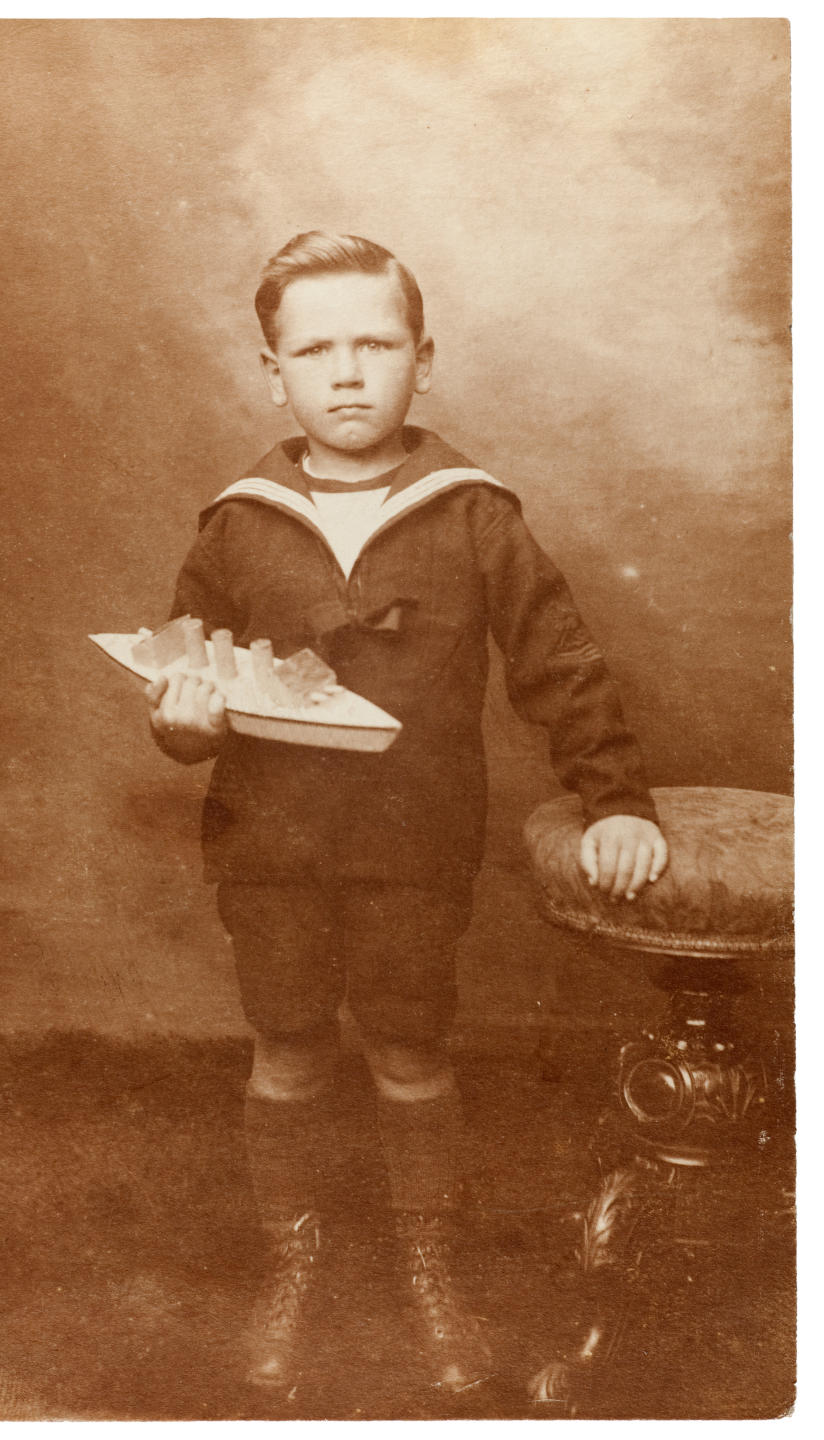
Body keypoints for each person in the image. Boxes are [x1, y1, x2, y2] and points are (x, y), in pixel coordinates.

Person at [145, 232, 668, 1402]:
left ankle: (434, 1267)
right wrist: (183, 716)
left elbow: (562, 663)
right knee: (284, 1046)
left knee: (410, 1046)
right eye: (314, 349)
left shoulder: (473, 513)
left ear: (422, 362)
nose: (346, 373)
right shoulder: (237, 522)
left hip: (415, 848)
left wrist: (614, 799)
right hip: (270, 848)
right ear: (271, 372)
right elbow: (189, 692)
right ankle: (296, 1264)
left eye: (375, 345)